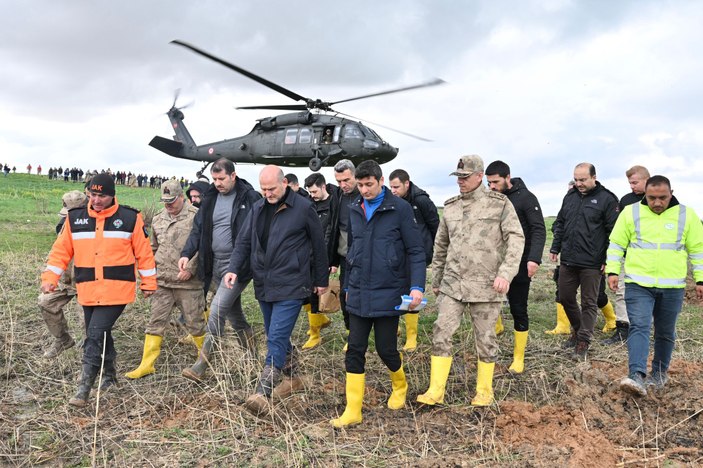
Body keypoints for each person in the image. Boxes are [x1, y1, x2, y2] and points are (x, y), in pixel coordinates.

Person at [40, 173, 157, 407]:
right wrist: (50, 277)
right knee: (101, 333)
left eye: (101, 195)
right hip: (88, 289)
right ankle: (110, 376)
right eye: (92, 194)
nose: (96, 199)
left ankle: (84, 389)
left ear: (112, 194)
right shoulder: (75, 219)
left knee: (94, 333)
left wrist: (148, 283)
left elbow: (144, 253)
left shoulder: (130, 218)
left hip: (117, 290)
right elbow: (60, 251)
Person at [417, 155, 524, 407]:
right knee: (441, 332)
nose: (460, 182)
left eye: (465, 177)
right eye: (458, 177)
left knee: (485, 339)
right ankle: (436, 390)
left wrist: (505, 273)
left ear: (479, 176)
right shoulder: (451, 207)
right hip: (453, 285)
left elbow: (515, 239)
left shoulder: (499, 204)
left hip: (487, 285)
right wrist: (438, 278)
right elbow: (441, 245)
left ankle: (484, 391)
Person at [224, 166, 329, 415]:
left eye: (272, 188)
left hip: (293, 283)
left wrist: (321, 279)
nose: (267, 193)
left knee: (276, 337)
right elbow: (244, 241)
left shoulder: (303, 208)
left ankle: (263, 391)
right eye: (264, 189)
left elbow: (318, 244)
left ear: (284, 183)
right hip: (264, 283)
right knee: (275, 332)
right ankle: (295, 377)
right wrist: (233, 268)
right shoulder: (258, 208)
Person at [330, 160, 425, 428]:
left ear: (381, 181)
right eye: (359, 185)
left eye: (368, 184)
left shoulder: (400, 209)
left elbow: (415, 251)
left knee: (386, 349)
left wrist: (416, 286)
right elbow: (353, 252)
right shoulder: (354, 209)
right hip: (359, 291)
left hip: (389, 291)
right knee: (354, 350)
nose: (364, 190)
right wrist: (347, 286)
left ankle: (400, 386)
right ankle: (353, 410)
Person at [607, 175, 703, 396]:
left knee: (665, 332)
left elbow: (698, 250)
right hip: (638, 283)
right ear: (645, 195)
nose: (657, 203)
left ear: (671, 193)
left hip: (673, 286)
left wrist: (700, 279)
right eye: (652, 198)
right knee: (639, 326)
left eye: (662, 198)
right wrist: (613, 270)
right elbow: (616, 244)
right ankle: (637, 375)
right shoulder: (630, 212)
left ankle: (659, 374)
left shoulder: (686, 215)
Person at [180, 158, 262, 382]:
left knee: (217, 310)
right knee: (235, 315)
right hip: (215, 265)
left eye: (222, 179)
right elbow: (198, 229)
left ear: (233, 175)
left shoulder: (250, 197)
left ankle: (202, 363)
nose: (217, 183)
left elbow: (259, 231)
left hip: (237, 267)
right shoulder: (210, 198)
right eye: (214, 179)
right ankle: (253, 357)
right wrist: (186, 253)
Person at [125, 180, 205, 379]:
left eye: (172, 201)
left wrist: (191, 268)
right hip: (162, 280)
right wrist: (147, 276)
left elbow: (205, 247)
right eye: (165, 201)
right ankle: (147, 364)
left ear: (182, 198)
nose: (168, 205)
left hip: (188, 282)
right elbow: (151, 248)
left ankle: (204, 361)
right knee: (155, 322)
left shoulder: (197, 216)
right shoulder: (159, 219)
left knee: (195, 323)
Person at [549, 163, 619, 361]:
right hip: (569, 259)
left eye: (583, 180)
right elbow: (561, 222)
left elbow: (614, 233)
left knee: (589, 302)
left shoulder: (607, 199)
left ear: (594, 177)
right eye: (576, 179)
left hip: (592, 262)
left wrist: (607, 259)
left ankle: (583, 341)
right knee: (565, 297)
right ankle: (579, 330)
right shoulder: (570, 196)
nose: (578, 183)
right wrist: (555, 247)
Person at [485, 160, 546, 374]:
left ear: (507, 178)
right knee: (490, 299)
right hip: (495, 261)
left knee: (518, 307)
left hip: (520, 261)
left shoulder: (526, 199)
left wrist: (534, 258)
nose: (491, 186)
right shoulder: (492, 198)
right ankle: (497, 327)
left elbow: (538, 229)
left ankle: (518, 357)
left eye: (495, 182)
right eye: (488, 182)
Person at [603, 165, 651, 345]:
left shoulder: (657, 200)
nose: (632, 186)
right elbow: (618, 230)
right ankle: (622, 329)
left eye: (635, 182)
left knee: (648, 294)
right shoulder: (626, 201)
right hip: (626, 255)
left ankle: (643, 330)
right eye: (630, 183)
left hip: (649, 257)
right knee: (622, 291)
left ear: (647, 179)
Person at [39, 190, 88, 358]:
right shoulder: (63, 226)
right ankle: (63, 339)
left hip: (87, 284)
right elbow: (57, 253)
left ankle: (90, 352)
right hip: (66, 281)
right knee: (46, 302)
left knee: (87, 321)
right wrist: (49, 277)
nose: (67, 218)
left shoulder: (96, 228)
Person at [301, 172, 335, 349]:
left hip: (323, 256)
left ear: (323, 186)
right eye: (309, 192)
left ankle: (315, 335)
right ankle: (319, 322)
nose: (312, 195)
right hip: (307, 255)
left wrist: (331, 260)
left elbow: (331, 234)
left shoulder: (334, 205)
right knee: (306, 294)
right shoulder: (308, 205)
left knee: (316, 295)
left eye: (314, 191)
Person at [329, 159, 360, 350]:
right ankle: (352, 334)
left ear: (355, 175)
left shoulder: (366, 195)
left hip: (365, 256)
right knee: (345, 295)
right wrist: (332, 259)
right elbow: (333, 230)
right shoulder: (337, 196)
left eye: (346, 180)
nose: (343, 185)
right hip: (345, 257)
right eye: (339, 181)